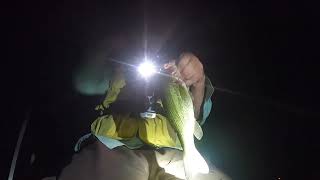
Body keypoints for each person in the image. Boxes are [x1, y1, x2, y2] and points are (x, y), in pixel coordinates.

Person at [54, 48, 231, 180]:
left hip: (173, 153)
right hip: (114, 146)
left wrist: (198, 83)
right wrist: (111, 54)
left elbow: (197, 117)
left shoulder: (174, 68)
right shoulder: (112, 63)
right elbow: (83, 81)